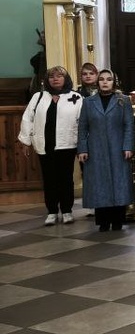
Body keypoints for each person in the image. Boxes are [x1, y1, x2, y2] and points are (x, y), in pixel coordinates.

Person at [19, 66, 85, 225]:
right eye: (52, 76)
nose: (55, 79)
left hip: (67, 145)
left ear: (65, 79)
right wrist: (25, 141)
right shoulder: (38, 97)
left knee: (66, 179)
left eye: (59, 76)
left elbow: (82, 123)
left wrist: (82, 145)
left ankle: (67, 210)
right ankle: (52, 211)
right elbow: (28, 118)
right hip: (45, 145)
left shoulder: (76, 97)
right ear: (47, 80)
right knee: (49, 180)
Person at [76, 69, 134, 233]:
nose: (105, 82)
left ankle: (117, 221)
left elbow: (129, 125)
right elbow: (82, 127)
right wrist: (82, 148)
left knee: (119, 183)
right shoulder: (88, 102)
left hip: (118, 147)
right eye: (102, 79)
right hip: (96, 148)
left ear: (113, 82)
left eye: (109, 79)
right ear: (97, 82)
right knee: (100, 184)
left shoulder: (123, 100)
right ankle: (103, 221)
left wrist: (128, 146)